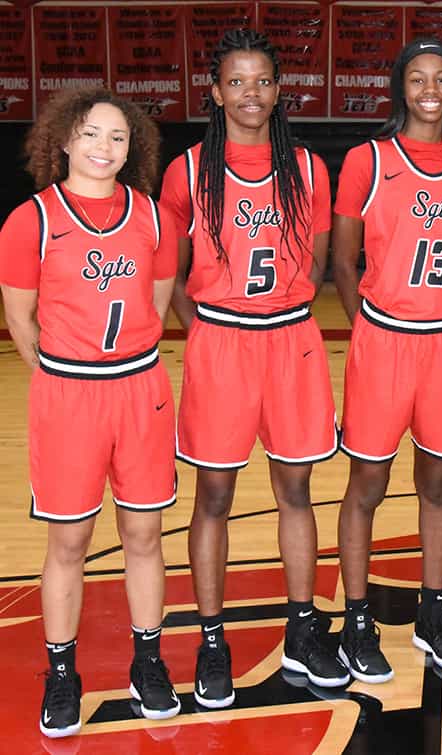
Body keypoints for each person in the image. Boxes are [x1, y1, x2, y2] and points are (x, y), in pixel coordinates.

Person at [159, 28, 345, 705]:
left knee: (297, 491)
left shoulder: (308, 169)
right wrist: (203, 326)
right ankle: (213, 640)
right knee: (214, 496)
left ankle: (303, 626)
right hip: (223, 343)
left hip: (290, 341)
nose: (250, 93)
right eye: (235, 82)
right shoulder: (186, 170)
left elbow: (320, 262)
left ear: (277, 90)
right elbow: (168, 272)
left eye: (261, 81)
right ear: (215, 92)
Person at [0, 87, 181, 736]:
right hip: (69, 396)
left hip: (139, 391)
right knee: (69, 540)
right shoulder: (31, 220)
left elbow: (157, 308)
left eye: (118, 137)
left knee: (145, 535)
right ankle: (61, 670)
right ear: (64, 140)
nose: (104, 148)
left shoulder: (154, 218)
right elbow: (20, 321)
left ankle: (149, 660)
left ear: (134, 149)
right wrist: (62, 376)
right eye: (92, 134)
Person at [332, 38, 442, 682]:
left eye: (440, 78)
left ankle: (433, 610)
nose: (428, 88)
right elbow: (341, 259)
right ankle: (356, 618)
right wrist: (365, 319)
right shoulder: (368, 160)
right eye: (416, 77)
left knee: (438, 485)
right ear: (401, 86)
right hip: (384, 339)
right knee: (367, 483)